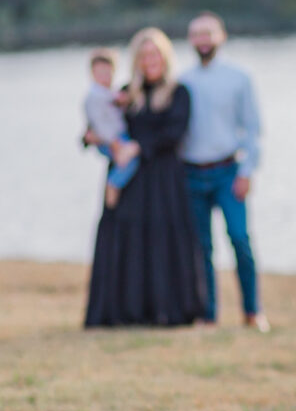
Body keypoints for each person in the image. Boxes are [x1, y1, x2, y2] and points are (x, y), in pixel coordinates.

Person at [83, 28, 205, 327]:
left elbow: (174, 134)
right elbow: (103, 123)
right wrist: (91, 137)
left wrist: (138, 147)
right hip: (130, 180)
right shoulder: (125, 94)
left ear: (165, 57)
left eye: (155, 55)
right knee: (126, 239)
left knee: (163, 240)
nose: (150, 60)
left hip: (164, 180)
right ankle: (125, 310)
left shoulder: (179, 93)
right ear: (136, 60)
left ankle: (167, 310)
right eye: (144, 55)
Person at [180, 12, 268, 332]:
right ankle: (208, 314)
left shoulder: (239, 77)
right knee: (201, 247)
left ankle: (252, 311)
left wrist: (246, 172)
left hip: (228, 172)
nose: (202, 40)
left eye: (208, 33)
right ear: (191, 41)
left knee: (240, 239)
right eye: (196, 34)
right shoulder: (183, 81)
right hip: (191, 175)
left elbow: (253, 130)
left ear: (221, 36)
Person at [81, 47, 140, 206]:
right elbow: (98, 125)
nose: (105, 77)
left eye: (108, 73)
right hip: (111, 139)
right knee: (129, 160)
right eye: (100, 74)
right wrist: (113, 142)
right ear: (92, 74)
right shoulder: (95, 97)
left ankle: (114, 185)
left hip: (116, 136)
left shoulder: (110, 93)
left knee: (129, 159)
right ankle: (113, 184)